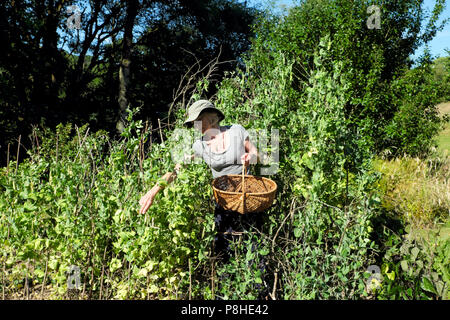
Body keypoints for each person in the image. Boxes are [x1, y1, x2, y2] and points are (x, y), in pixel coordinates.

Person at [138, 99, 268, 298]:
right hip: (223, 201)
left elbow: (258, 154)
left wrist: (251, 157)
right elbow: (175, 171)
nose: (194, 126)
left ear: (211, 116)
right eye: (192, 123)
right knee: (224, 250)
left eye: (197, 121)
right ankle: (225, 295)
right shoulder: (199, 146)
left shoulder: (236, 131)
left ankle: (259, 296)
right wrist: (154, 190)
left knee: (253, 245)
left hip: (247, 197)